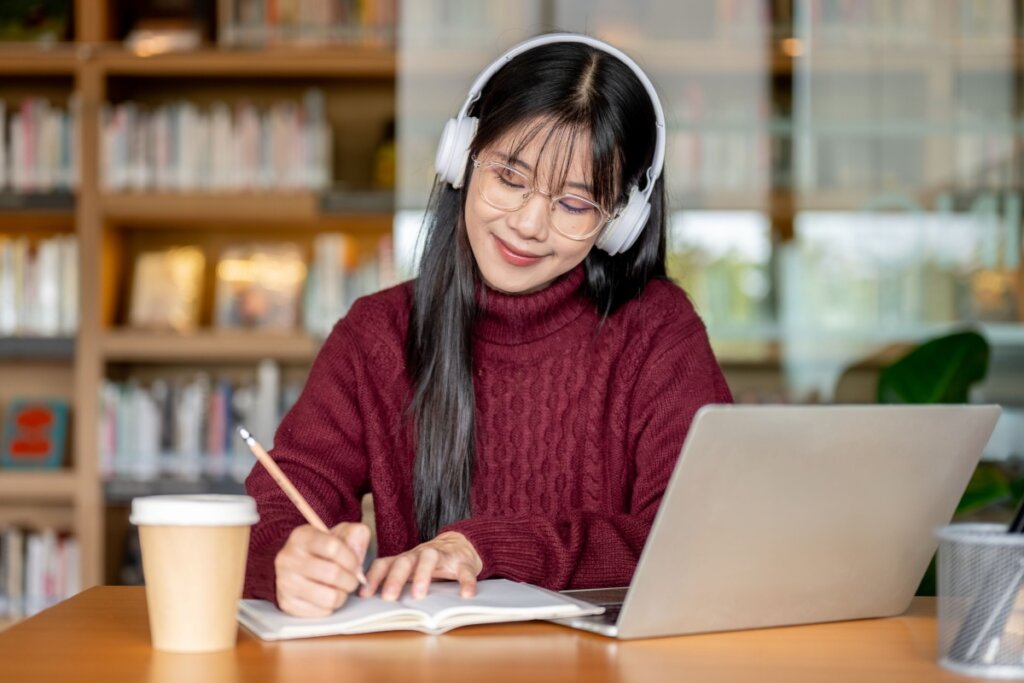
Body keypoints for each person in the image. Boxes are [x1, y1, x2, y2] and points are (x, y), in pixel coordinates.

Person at [244, 32, 733, 618]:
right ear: (461, 157)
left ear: (619, 221)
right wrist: (286, 557)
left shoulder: (657, 333)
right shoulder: (375, 336)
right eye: (510, 177)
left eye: (574, 205)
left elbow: (695, 538)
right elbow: (277, 510)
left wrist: (490, 547)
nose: (528, 224)